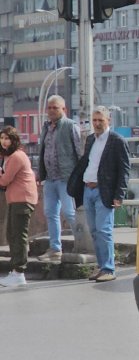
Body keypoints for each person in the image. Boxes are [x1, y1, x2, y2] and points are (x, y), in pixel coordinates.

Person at [68, 107, 131, 283]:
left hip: (104, 191)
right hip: (88, 190)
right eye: (94, 120)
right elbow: (87, 162)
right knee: (94, 231)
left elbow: (124, 169)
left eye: (100, 120)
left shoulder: (117, 141)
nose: (96, 124)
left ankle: (109, 268)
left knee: (104, 230)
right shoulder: (90, 140)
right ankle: (102, 266)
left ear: (108, 121)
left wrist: (119, 194)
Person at [33, 95, 82, 264]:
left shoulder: (70, 126)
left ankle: (82, 244)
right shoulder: (46, 127)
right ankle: (55, 248)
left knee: (69, 212)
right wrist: (40, 172)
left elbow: (79, 151)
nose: (52, 111)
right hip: (50, 178)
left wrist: (79, 175)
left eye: (56, 108)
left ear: (64, 109)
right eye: (50, 108)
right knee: (50, 213)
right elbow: (43, 151)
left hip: (66, 177)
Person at [0, 128, 38, 287]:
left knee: (18, 235)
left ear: (14, 140)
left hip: (22, 199)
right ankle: (16, 271)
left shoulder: (16, 156)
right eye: (2, 138)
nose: (4, 141)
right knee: (12, 234)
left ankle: (19, 272)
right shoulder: (9, 156)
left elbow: (4, 180)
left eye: (7, 138)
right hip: (16, 199)